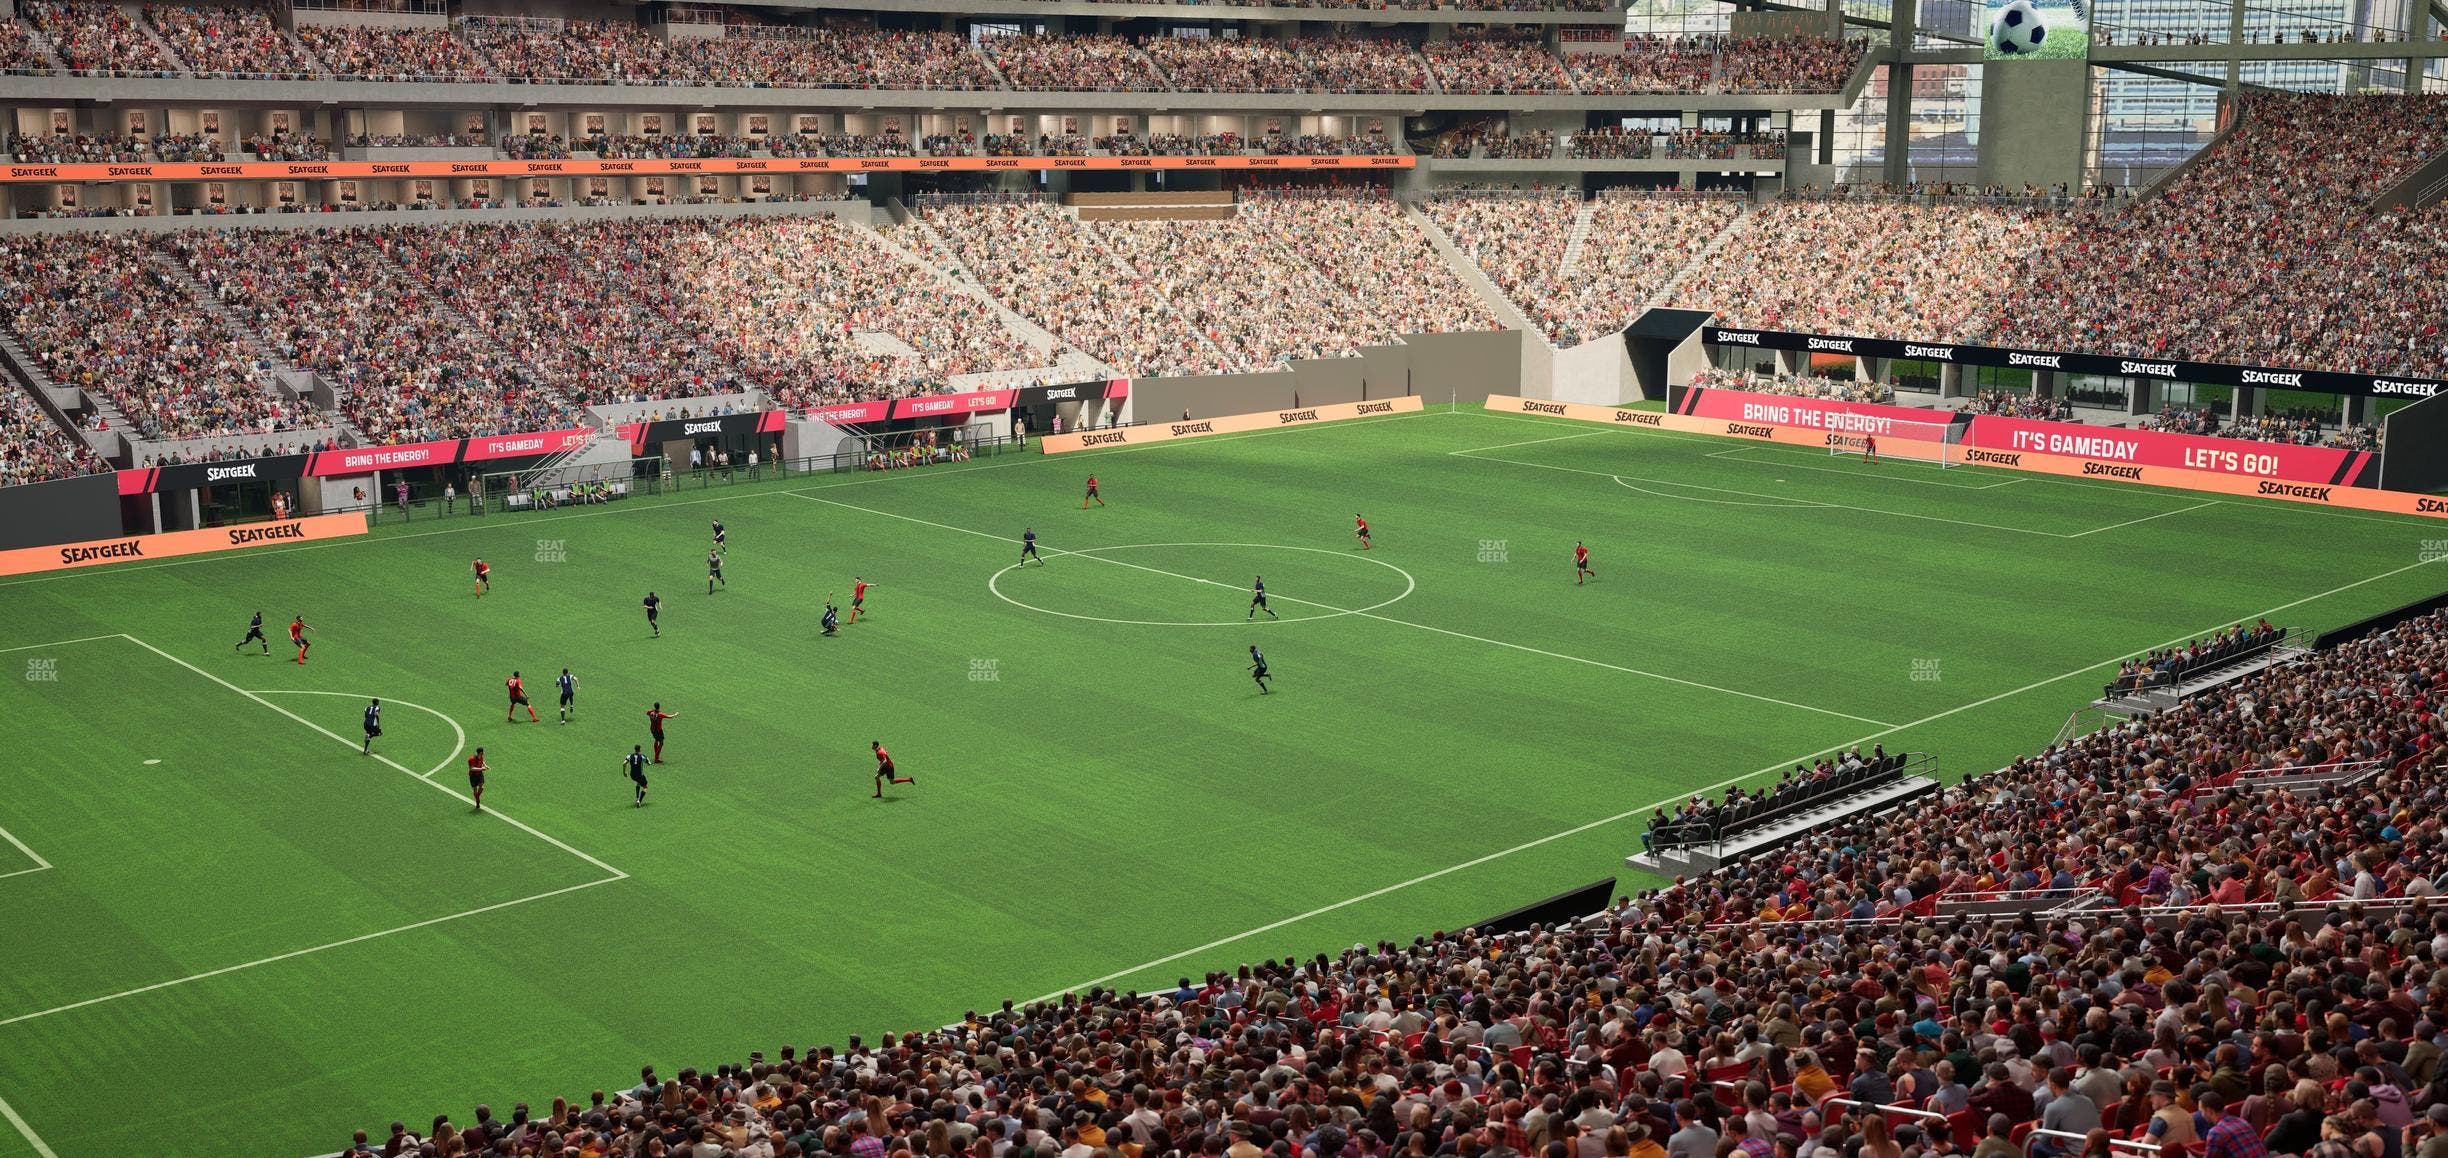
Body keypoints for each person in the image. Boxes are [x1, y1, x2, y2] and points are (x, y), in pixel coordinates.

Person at [466, 747, 488, 812]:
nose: (483, 753)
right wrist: (481, 769)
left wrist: (485, 765)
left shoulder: (480, 757)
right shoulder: (471, 759)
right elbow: (471, 768)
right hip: (473, 776)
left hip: (479, 774)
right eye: (483, 752)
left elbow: (482, 761)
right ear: (480, 752)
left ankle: (477, 796)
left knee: (481, 786)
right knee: (475, 790)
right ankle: (477, 801)